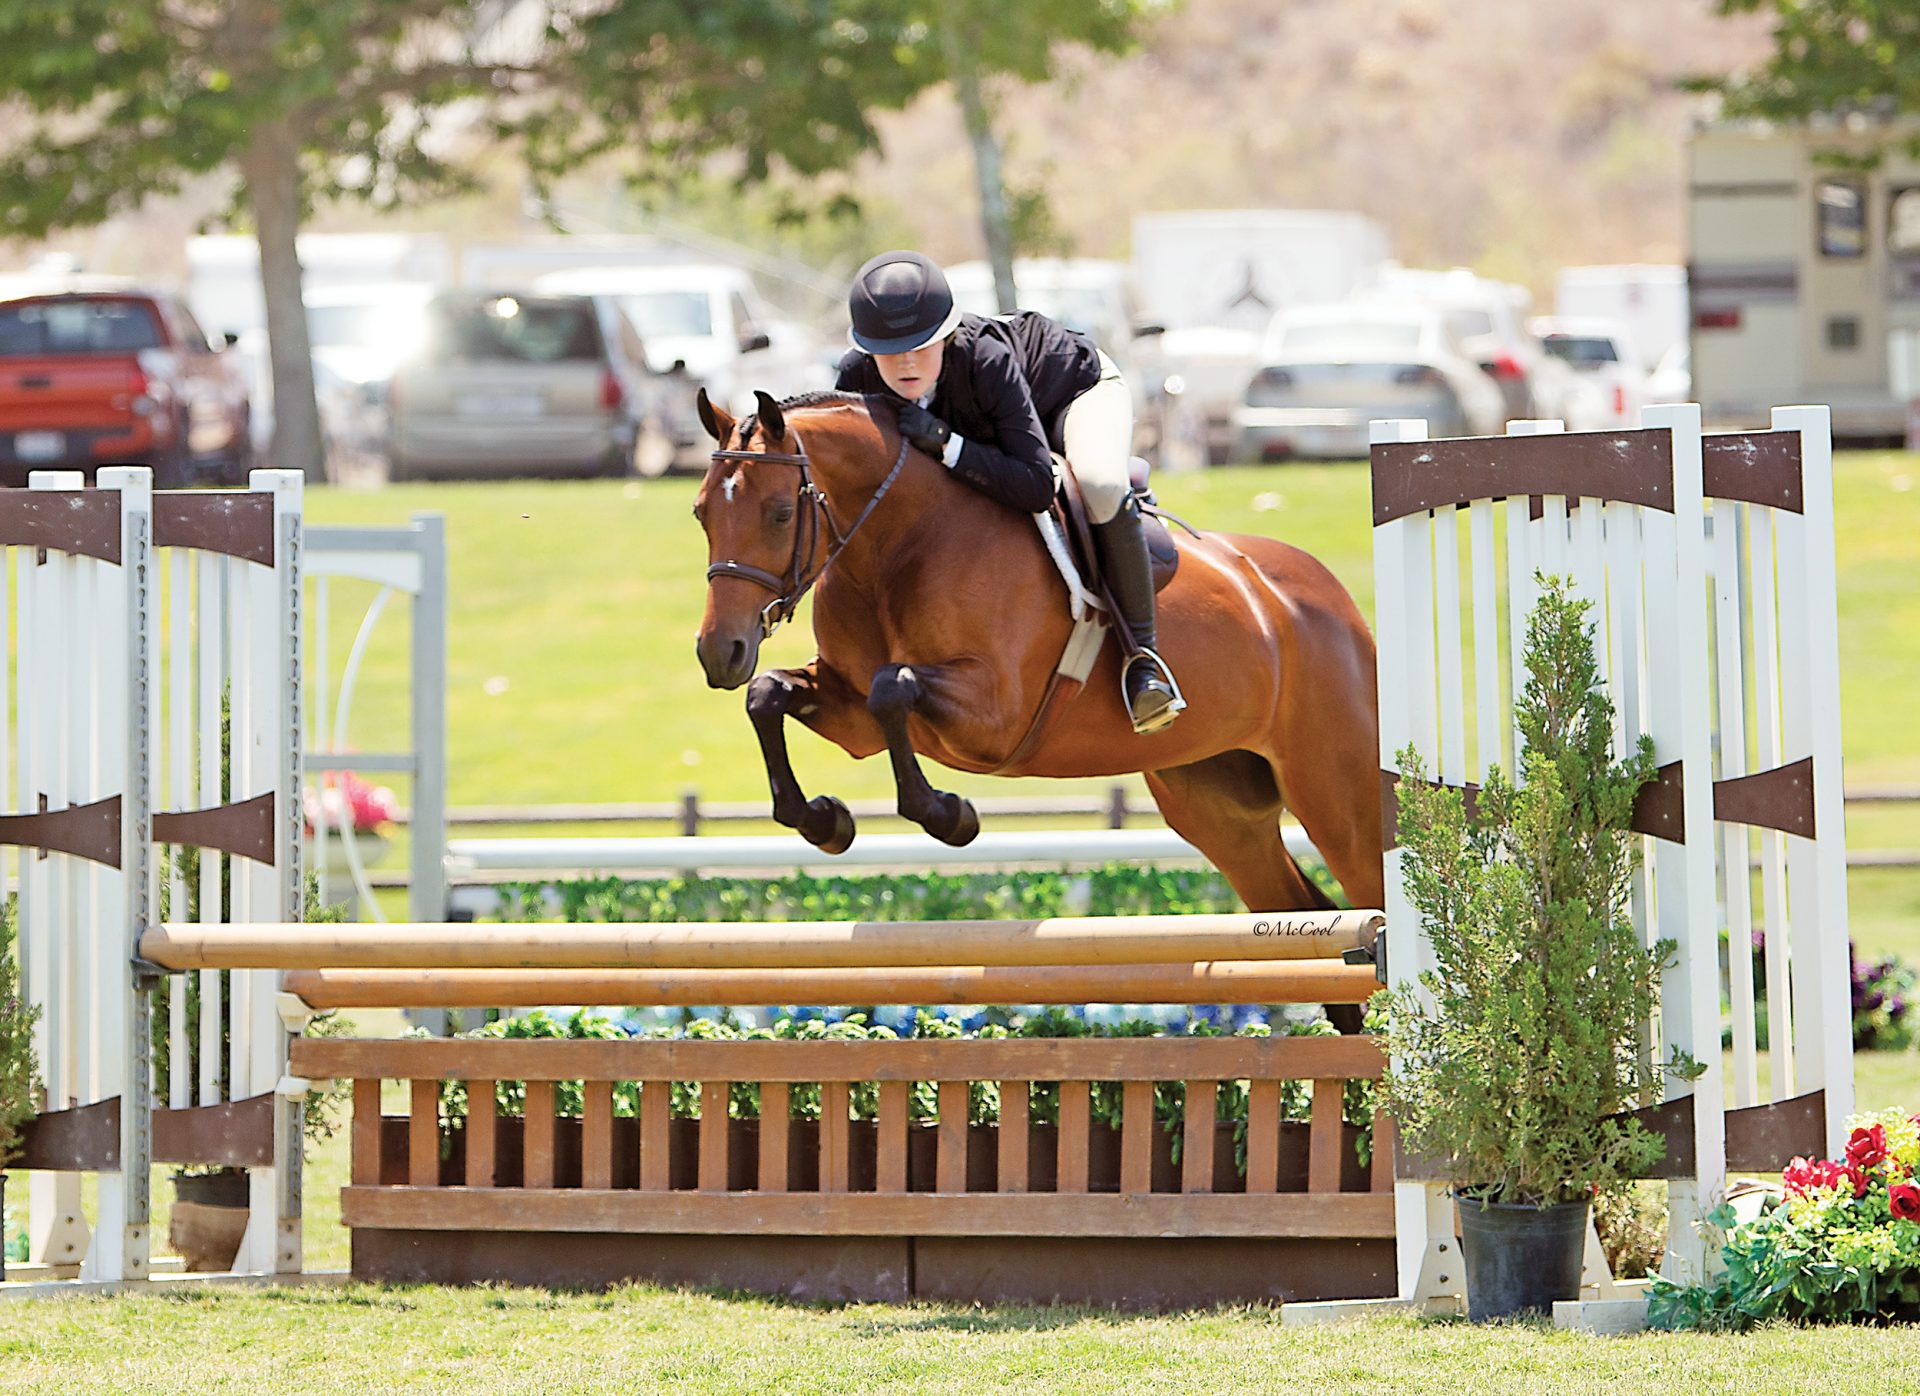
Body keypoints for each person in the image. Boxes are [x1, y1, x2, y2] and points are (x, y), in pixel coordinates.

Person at [835, 250, 1183, 734]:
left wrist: (947, 444)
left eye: (922, 344)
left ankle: (1144, 663)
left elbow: (1036, 485)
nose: (906, 361)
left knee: (1101, 484)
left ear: (946, 335)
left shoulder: (985, 359)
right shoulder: (856, 380)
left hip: (1073, 391)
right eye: (889, 349)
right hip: (1010, 424)